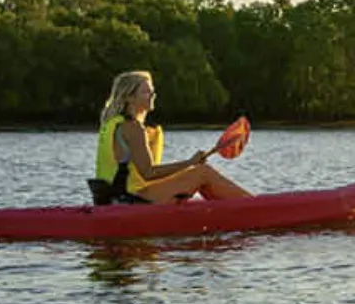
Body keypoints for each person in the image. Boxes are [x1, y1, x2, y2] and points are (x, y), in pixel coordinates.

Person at [92, 70, 248, 204]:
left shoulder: (111, 124)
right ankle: (251, 206)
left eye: (152, 91)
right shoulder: (132, 127)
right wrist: (190, 163)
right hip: (131, 200)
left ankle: (232, 209)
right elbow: (149, 173)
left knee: (195, 174)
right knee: (202, 172)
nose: (152, 95)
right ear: (129, 97)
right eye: (146, 92)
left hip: (112, 199)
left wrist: (186, 170)